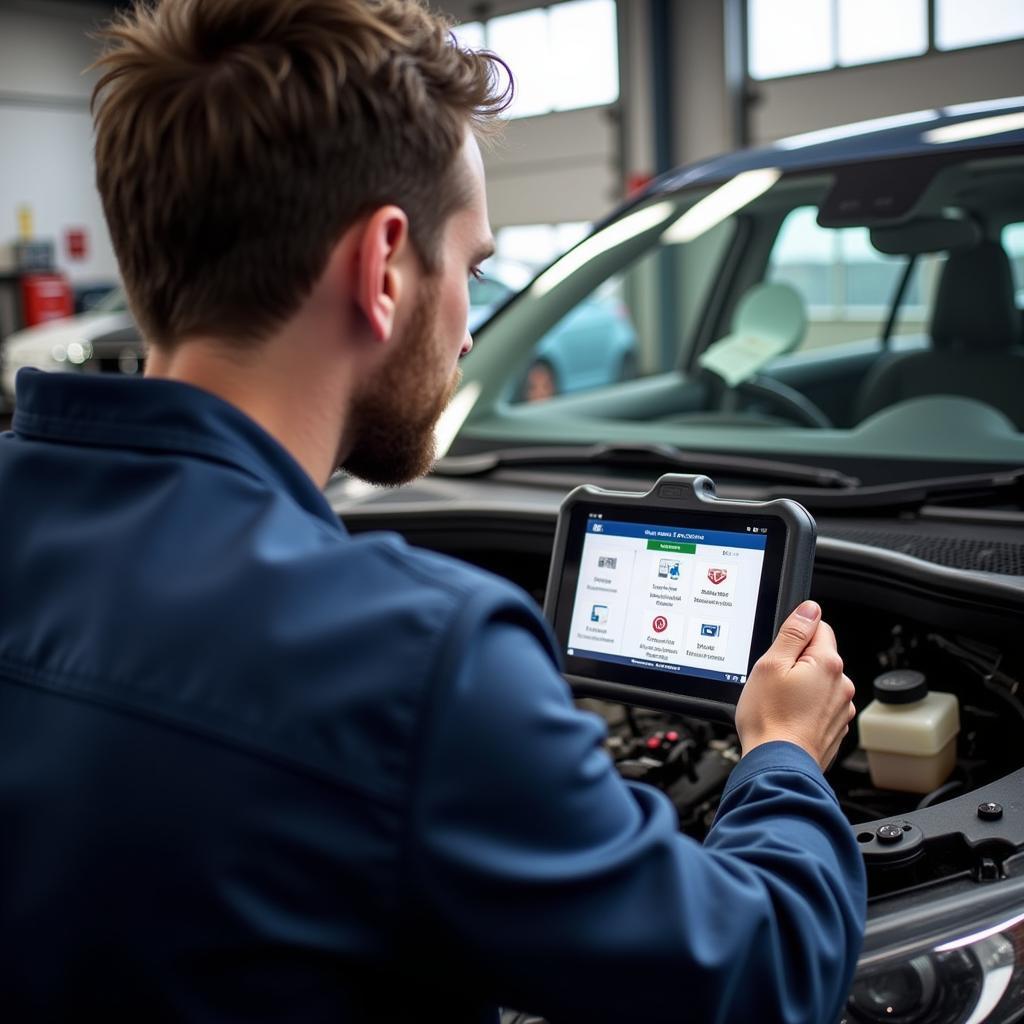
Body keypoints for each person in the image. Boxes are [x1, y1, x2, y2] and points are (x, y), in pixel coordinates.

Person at [0, 0, 864, 1020]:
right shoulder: (418, 658)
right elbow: (756, 976)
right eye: (474, 268)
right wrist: (778, 758)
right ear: (383, 266)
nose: (468, 328)